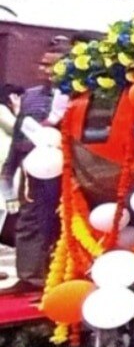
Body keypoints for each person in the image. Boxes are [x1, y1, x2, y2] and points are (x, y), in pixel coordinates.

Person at [1, 38, 70, 293]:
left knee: (63, 222)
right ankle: (30, 278)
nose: (45, 70)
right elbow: (20, 136)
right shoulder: (29, 96)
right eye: (42, 64)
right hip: (35, 170)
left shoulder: (81, 95)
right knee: (29, 221)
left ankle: (60, 275)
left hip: (72, 170)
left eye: (52, 66)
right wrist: (9, 170)